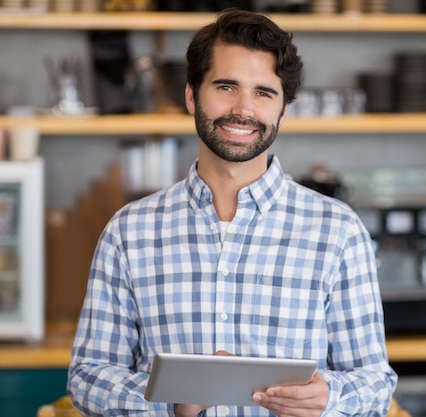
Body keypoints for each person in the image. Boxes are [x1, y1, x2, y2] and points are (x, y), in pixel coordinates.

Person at [68, 8, 397, 417]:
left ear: (283, 110)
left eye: (263, 92)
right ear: (192, 96)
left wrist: (331, 397)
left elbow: (375, 385)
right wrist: (170, 402)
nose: (244, 109)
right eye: (226, 86)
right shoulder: (128, 231)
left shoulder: (339, 231)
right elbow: (87, 377)